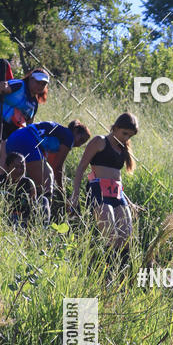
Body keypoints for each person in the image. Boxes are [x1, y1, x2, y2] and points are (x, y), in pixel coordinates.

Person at [69, 112, 139, 264]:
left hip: (118, 194)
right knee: (110, 235)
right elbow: (81, 168)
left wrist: (129, 202)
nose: (126, 138)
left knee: (126, 237)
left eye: (130, 136)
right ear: (116, 127)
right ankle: (106, 270)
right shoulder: (99, 141)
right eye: (124, 133)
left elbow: (117, 179)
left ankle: (121, 272)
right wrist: (75, 194)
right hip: (98, 190)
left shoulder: (122, 148)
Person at [5, 120, 90, 198]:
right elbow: (57, 167)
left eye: (83, 143)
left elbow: (51, 165)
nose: (79, 145)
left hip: (13, 137)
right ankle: (42, 206)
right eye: (81, 140)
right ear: (75, 131)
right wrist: (61, 191)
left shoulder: (59, 134)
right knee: (47, 182)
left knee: (16, 180)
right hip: (27, 140)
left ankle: (11, 198)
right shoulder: (69, 137)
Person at [0, 70, 49, 170]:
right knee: (1, 151)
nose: (40, 86)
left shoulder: (34, 104)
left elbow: (29, 127)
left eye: (43, 84)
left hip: (11, 132)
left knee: (3, 155)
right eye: (38, 82)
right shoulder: (19, 85)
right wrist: (0, 88)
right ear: (31, 79)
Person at [0, 152, 39, 227]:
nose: (20, 170)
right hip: (0, 219)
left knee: (44, 200)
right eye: (16, 167)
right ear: (7, 167)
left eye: (22, 167)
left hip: (22, 220)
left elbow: (34, 207)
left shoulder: (28, 183)